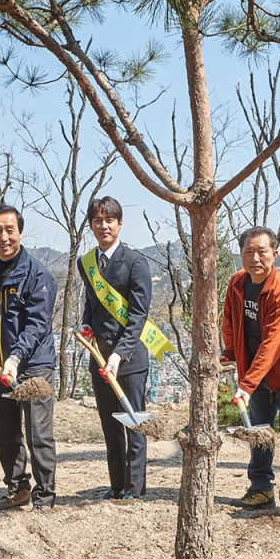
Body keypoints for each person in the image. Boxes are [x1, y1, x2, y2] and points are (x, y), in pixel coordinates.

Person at [77, 196, 170, 501]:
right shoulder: (86, 263)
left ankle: (134, 488)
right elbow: (91, 305)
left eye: (109, 220)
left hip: (129, 358)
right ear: (91, 225)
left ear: (119, 224)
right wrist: (86, 325)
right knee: (109, 423)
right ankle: (116, 484)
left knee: (133, 421)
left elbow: (138, 316)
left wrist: (119, 353)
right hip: (98, 356)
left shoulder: (135, 262)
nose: (103, 226)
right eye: (97, 221)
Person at [221, 226, 280, 518]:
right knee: (258, 431)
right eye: (248, 251)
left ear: (274, 254)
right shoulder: (237, 283)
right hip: (256, 371)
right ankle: (261, 488)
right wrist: (229, 354)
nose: (255, 258)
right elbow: (229, 323)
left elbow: (273, 343)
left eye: (262, 251)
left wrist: (246, 384)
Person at [0, 204, 58, 511]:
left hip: (34, 365)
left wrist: (16, 358)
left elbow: (38, 323)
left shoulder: (39, 275)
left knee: (38, 433)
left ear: (20, 232)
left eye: (10, 230)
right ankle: (18, 487)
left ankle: (45, 496)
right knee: (5, 430)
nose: (4, 237)